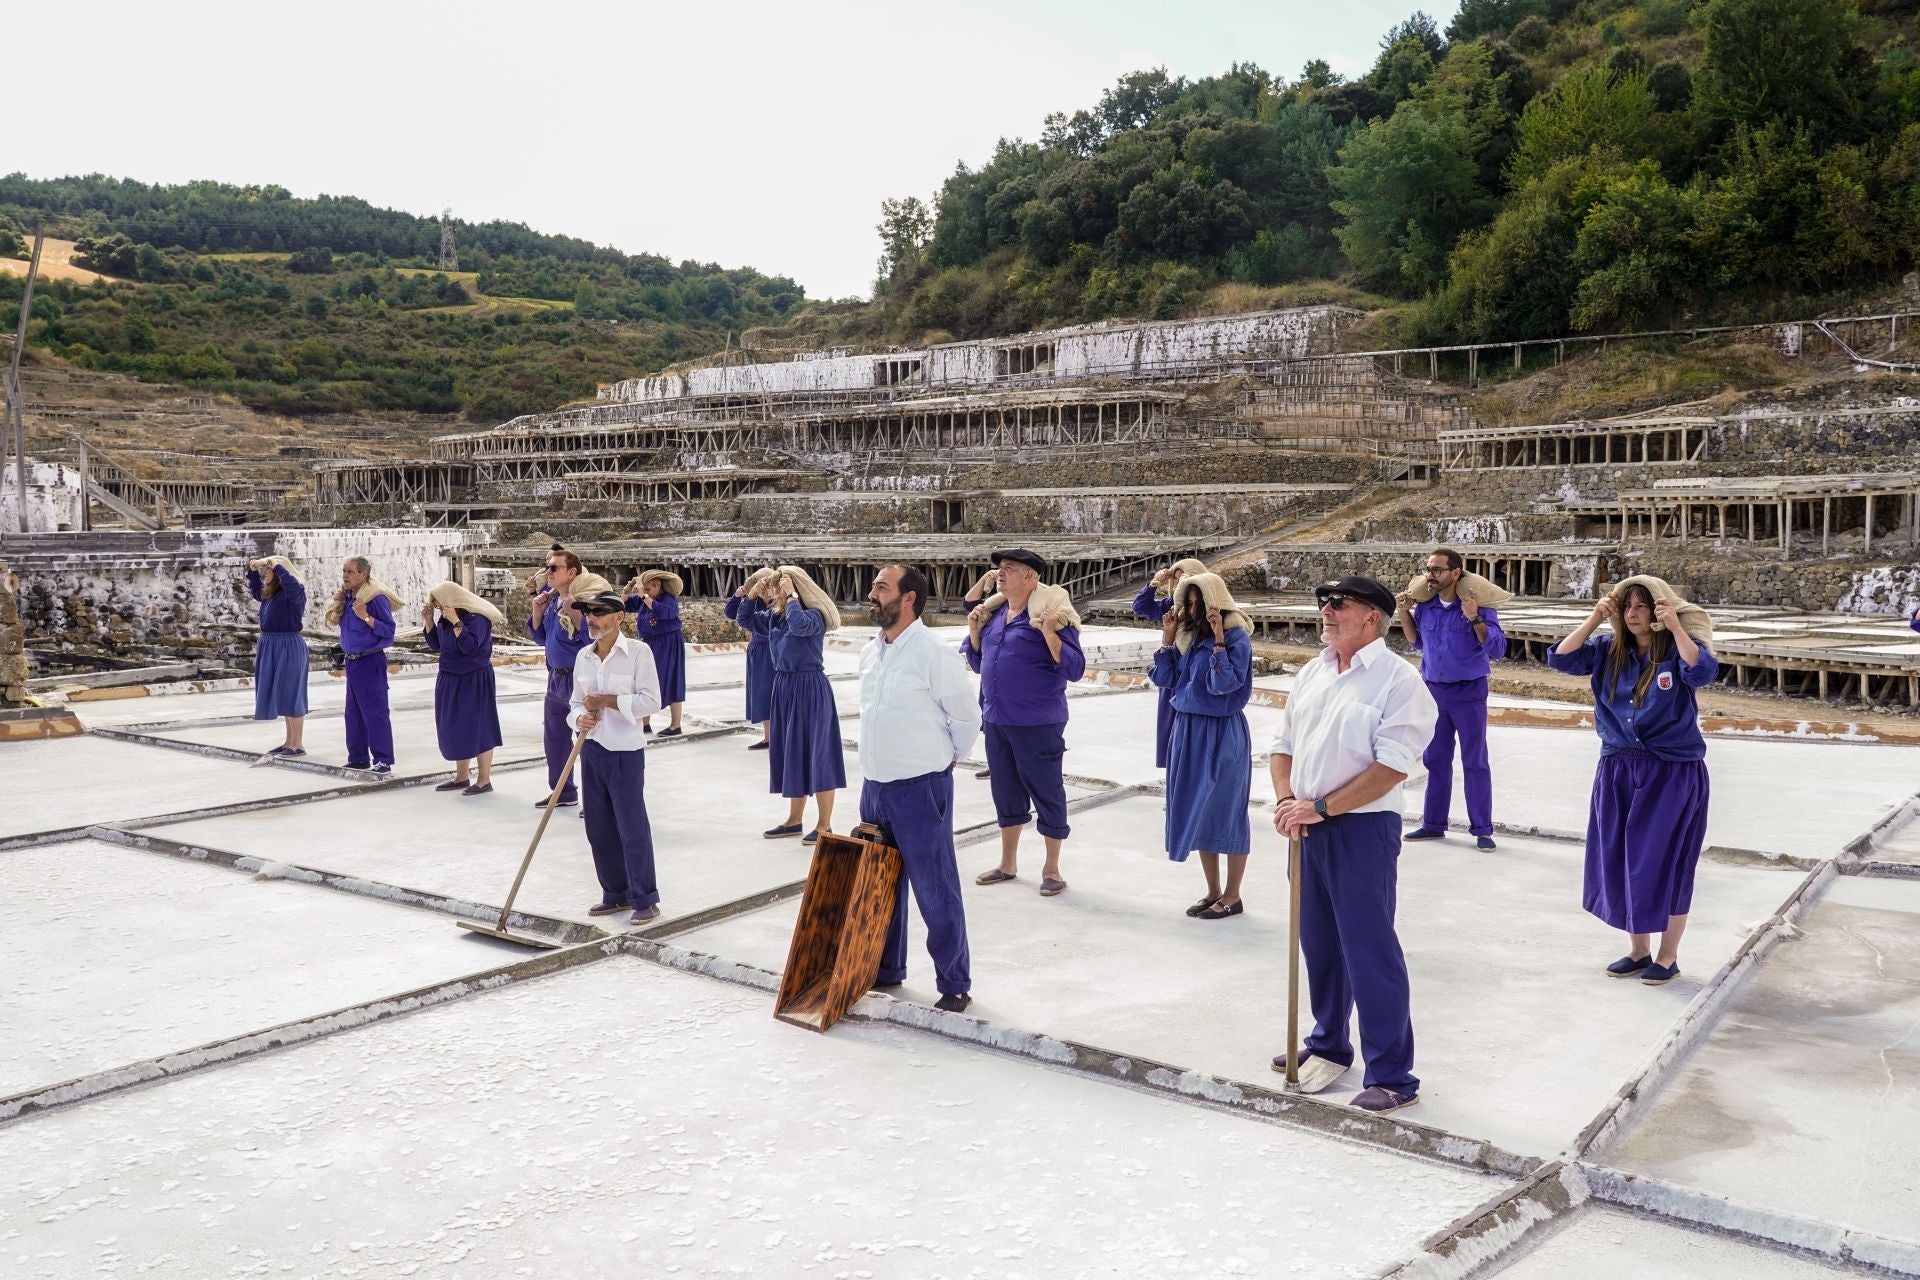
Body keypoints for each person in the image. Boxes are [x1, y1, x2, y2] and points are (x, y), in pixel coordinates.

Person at [1270, 575, 1437, 1115]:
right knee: (1318, 943)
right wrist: (1286, 801)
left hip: (1362, 829)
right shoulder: (1313, 672)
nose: (1326, 611)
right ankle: (1329, 1045)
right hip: (1305, 824)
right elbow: (1283, 747)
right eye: (1322, 602)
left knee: (1369, 950)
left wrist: (1320, 807)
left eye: (1338, 604)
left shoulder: (1398, 680)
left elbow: (1392, 766)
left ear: (1372, 618)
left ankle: (1392, 1074)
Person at [1548, 576, 1717, 986]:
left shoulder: (1673, 650)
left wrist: (1676, 626)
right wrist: (1594, 617)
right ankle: (1638, 950)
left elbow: (1702, 672)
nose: (1634, 614)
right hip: (1618, 766)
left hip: (1670, 770)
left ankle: (1668, 955)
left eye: (1642, 606)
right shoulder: (1608, 650)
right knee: (1623, 857)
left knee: (1668, 860)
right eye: (1628, 607)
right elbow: (1560, 658)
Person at [861, 564, 981, 1014]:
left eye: (881, 587)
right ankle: (887, 968)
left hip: (920, 788)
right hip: (875, 788)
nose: (872, 594)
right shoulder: (872, 651)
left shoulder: (933, 652)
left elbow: (967, 718)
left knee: (935, 887)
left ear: (908, 598)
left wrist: (945, 759)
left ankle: (954, 982)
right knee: (878, 886)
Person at [963, 548, 1085, 897]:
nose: (999, 574)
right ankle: (1008, 863)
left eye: (1009, 569)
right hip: (997, 720)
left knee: (1047, 792)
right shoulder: (994, 613)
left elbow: (1075, 668)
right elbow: (977, 662)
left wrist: (1048, 632)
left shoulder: (1052, 615)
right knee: (1005, 791)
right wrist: (974, 631)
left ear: (1030, 577)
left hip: (1037, 721)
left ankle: (1052, 869)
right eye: (999, 569)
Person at [1151, 572, 1254, 920]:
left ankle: (1233, 894)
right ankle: (1212, 890)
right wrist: (1167, 638)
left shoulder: (1237, 636)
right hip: (1187, 729)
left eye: (1200, 603)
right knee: (1199, 809)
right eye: (1189, 603)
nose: (1193, 610)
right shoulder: (1190, 637)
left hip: (1222, 731)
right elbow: (1165, 680)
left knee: (1227, 810)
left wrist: (1220, 639)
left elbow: (1224, 685)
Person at [1394, 548, 1508, 850]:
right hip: (1433, 691)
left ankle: (1482, 829)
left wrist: (1474, 619)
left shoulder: (1477, 605)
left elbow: (1496, 648)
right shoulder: (1427, 607)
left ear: (1454, 573)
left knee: (1475, 761)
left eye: (1436, 570)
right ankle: (1433, 824)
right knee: (1435, 759)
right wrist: (1404, 612)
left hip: (1469, 692)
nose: (1429, 576)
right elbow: (1416, 641)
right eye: (1428, 569)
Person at [570, 590, 666, 924]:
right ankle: (615, 894)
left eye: (597, 611)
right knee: (598, 827)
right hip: (592, 748)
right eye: (587, 612)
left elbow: (652, 701)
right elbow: (575, 703)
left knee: (632, 827)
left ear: (618, 617)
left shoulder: (639, 653)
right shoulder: (584, 656)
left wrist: (610, 701)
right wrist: (578, 719)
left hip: (625, 751)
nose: (590, 617)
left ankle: (644, 898)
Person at [762, 564, 845, 843]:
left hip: (810, 686)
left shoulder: (813, 616)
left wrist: (793, 597)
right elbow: (744, 620)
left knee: (819, 753)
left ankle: (825, 824)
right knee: (791, 751)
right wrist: (749, 596)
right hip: (785, 687)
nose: (776, 591)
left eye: (779, 586)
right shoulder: (778, 618)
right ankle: (794, 820)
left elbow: (800, 626)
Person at [421, 582, 505, 796]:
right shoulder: (447, 618)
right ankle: (461, 775)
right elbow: (436, 645)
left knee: (480, 725)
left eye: (440, 605)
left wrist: (457, 622)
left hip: (473, 677)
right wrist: (429, 620)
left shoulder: (477, 618)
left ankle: (484, 779)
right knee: (455, 725)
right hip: (450, 676)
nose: (439, 608)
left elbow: (469, 646)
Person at [526, 546, 591, 808]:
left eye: (554, 567)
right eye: (547, 566)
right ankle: (563, 792)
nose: (548, 572)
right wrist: (537, 613)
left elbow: (592, 639)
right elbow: (541, 638)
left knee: (587, 742)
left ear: (571, 572)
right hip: (555, 678)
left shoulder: (584, 601)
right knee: (554, 740)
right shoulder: (551, 600)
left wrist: (576, 615)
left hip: (579, 680)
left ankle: (594, 800)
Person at [327, 557, 401, 775]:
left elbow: (389, 634)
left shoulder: (374, 599)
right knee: (353, 714)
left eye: (350, 571)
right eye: (344, 571)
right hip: (352, 661)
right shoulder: (348, 596)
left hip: (370, 660)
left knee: (375, 712)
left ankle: (383, 760)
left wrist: (366, 617)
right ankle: (358, 758)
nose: (345, 575)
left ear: (363, 574)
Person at [1132, 557, 1208, 770]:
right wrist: (1153, 584)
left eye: (1184, 577)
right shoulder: (1171, 607)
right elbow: (1140, 607)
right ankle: (1173, 785)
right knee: (1170, 732)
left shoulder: (1207, 608)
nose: (1179, 582)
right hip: (1170, 671)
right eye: (1176, 578)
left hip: (1195, 676)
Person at [246, 555, 308, 756]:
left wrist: (279, 568)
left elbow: (293, 587)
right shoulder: (271, 594)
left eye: (269, 571)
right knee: (282, 693)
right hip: (270, 643)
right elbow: (256, 591)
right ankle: (289, 741)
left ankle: (297, 744)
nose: (266, 573)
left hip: (288, 645)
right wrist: (253, 571)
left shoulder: (294, 593)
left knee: (291, 693)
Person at [625, 569, 687, 736]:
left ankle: (675, 725)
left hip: (668, 642)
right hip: (650, 642)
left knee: (672, 679)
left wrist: (645, 596)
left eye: (649, 589)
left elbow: (664, 612)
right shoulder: (644, 600)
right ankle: (645, 724)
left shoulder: (668, 600)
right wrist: (626, 592)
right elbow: (624, 606)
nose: (645, 592)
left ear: (658, 585)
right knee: (645, 680)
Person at [725, 567, 776, 749]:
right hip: (758, 649)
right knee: (762, 693)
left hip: (775, 649)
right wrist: (738, 596)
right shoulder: (752, 601)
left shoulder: (780, 601)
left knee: (776, 692)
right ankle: (768, 737)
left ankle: (779, 736)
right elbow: (731, 613)